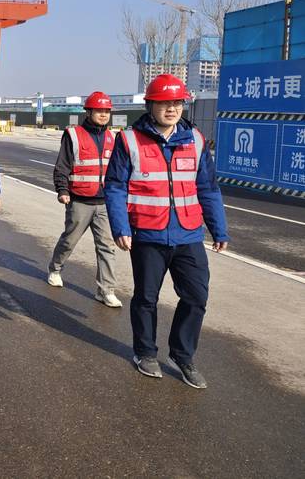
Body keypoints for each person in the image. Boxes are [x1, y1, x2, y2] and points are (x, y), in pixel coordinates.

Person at [104, 74, 228, 389]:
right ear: (150, 105)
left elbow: (208, 188)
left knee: (196, 296)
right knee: (146, 298)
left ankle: (182, 355)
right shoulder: (129, 140)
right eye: (164, 103)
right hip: (147, 234)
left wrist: (219, 229)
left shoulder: (195, 140)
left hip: (188, 234)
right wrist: (120, 227)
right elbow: (115, 187)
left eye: (177, 102)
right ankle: (145, 352)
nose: (171, 109)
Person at [48, 91, 122, 308]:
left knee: (107, 247)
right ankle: (55, 269)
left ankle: (106, 290)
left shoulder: (113, 138)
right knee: (69, 241)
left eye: (107, 111)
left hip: (104, 203)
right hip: (79, 201)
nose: (104, 114)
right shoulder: (73, 135)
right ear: (88, 112)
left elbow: (119, 171)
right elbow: (62, 166)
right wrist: (62, 190)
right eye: (99, 110)